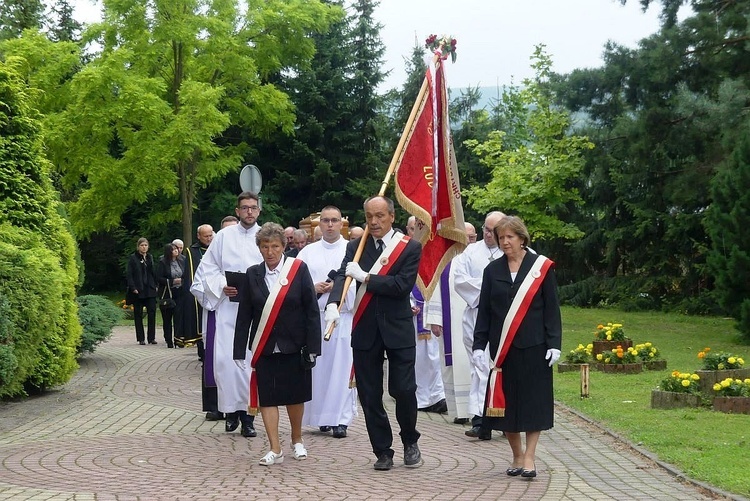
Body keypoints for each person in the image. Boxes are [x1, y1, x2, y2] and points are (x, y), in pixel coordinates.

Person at [325, 196, 423, 471]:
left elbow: (402, 286)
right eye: (369, 216)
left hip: (397, 327)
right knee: (369, 394)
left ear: (392, 216)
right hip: (366, 327)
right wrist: (333, 303)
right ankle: (382, 449)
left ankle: (410, 441)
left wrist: (367, 277)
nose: (374, 222)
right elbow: (344, 276)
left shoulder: (409, 247)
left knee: (403, 389)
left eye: (379, 216)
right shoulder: (357, 247)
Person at [473, 216, 561, 479]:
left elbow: (551, 309)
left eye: (510, 236)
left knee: (534, 404)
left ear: (522, 238)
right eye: (501, 237)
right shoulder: (492, 271)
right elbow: (484, 313)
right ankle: (517, 455)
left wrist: (554, 343)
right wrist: (479, 346)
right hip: (503, 350)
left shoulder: (541, 268)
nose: (505, 241)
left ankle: (531, 458)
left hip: (535, 346)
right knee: (506, 405)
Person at [233, 222, 321, 465]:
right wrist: (239, 350)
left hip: (295, 344)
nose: (269, 251)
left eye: (274, 246)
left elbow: (312, 309)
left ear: (284, 246)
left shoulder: (298, 269)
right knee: (268, 398)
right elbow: (245, 314)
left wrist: (314, 347)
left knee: (294, 396)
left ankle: (297, 440)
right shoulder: (253, 273)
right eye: (264, 246)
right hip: (265, 345)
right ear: (259, 248)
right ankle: (275, 448)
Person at [190, 192, 263, 438]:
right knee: (227, 363)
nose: (249, 212)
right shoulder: (222, 237)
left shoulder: (265, 237)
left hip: (254, 312)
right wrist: (222, 284)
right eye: (245, 208)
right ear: (238, 210)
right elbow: (205, 271)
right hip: (228, 309)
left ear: (259, 210)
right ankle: (231, 412)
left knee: (249, 364)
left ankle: (249, 416)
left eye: (253, 208)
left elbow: (274, 268)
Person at [298, 206, 357, 439]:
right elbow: (296, 283)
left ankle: (340, 419)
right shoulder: (307, 253)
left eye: (334, 220)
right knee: (319, 371)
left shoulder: (352, 250)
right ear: (319, 224)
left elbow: (359, 282)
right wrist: (312, 288)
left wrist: (339, 290)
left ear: (342, 223)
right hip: (315, 317)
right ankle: (322, 417)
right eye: (325, 221)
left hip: (343, 317)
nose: (330, 225)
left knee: (341, 370)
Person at [452, 211, 506, 440]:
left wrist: (491, 289)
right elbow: (460, 280)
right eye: (485, 229)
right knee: (479, 367)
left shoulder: (513, 251)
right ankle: (480, 420)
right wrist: (491, 291)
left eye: (493, 231)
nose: (488, 234)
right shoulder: (471, 252)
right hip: (477, 317)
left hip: (505, 320)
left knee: (502, 368)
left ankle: (505, 418)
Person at [405, 216, 447, 414]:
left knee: (435, 356)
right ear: (408, 230)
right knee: (418, 357)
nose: (417, 233)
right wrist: (408, 304)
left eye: (420, 228)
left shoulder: (434, 254)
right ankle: (420, 398)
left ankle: (438, 396)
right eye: (413, 228)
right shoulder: (402, 253)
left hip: (433, 311)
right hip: (411, 315)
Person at [126, 237, 158, 345]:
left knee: (152, 313)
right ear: (138, 246)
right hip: (138, 290)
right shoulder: (133, 258)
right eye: (142, 245)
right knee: (138, 314)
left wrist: (156, 285)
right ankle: (141, 338)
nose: (144, 247)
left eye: (146, 245)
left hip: (150, 289)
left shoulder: (150, 257)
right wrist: (133, 287)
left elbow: (153, 272)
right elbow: (129, 274)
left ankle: (151, 337)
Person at [156, 243, 185, 348]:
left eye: (177, 249)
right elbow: (159, 278)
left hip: (180, 293)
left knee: (179, 317)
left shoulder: (182, 261)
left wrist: (182, 280)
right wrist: (172, 281)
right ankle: (168, 340)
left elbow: (186, 274)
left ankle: (178, 339)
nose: (176, 251)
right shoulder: (163, 262)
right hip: (168, 293)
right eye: (173, 249)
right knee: (167, 318)